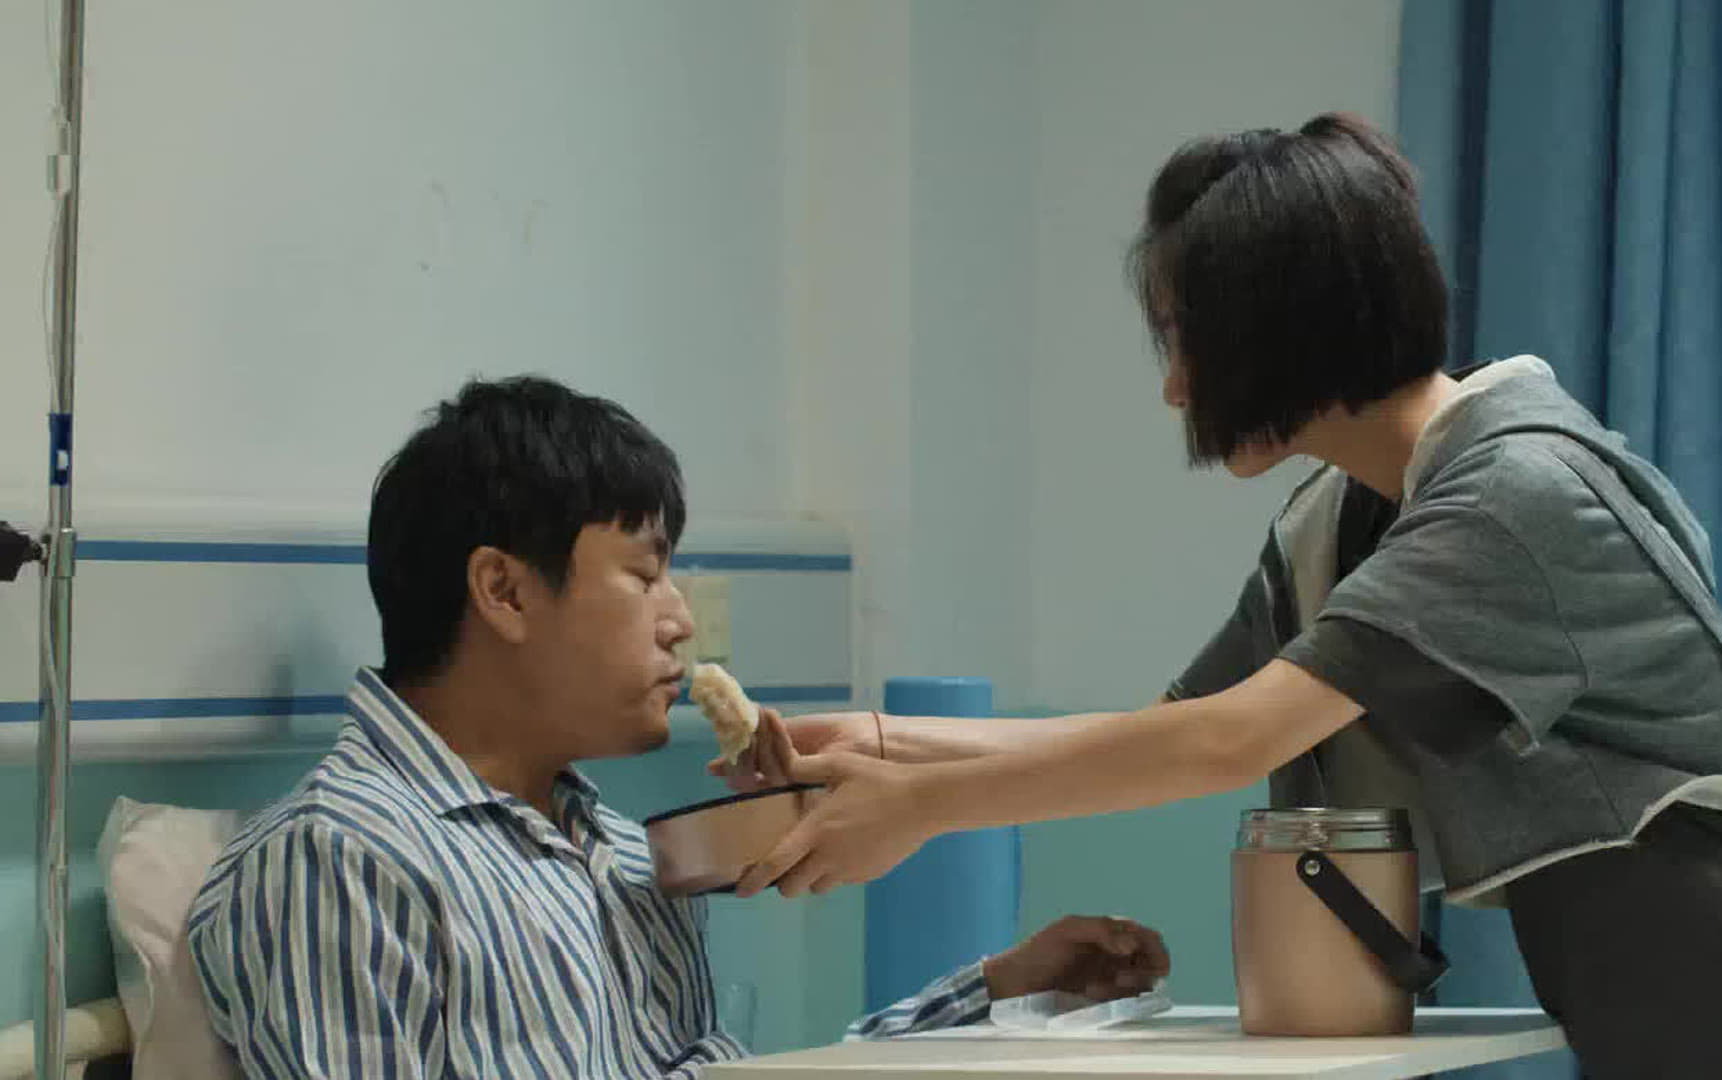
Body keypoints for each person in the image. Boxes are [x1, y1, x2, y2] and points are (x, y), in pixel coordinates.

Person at [723, 115, 1722, 1079]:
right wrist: (872, 744)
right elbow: (1172, 729)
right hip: (1663, 1000)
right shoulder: (1345, 518)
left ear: (1283, 333)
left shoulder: (1513, 497)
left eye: (1185, 342)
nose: (1176, 390)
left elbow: (1229, 742)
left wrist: (924, 806)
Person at [186, 376, 1170, 1080]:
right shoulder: (343, 860)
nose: (681, 620)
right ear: (504, 591)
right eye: (645, 574)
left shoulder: (621, 855)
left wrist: (999, 995)